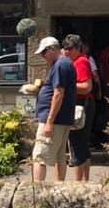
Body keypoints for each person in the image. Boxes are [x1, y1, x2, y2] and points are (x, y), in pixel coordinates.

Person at [32, 36, 77, 181]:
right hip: (61, 119)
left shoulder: (60, 65)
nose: (43, 57)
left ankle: (35, 193)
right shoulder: (64, 63)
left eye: (44, 53)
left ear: (52, 49)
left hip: (54, 120)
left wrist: (49, 121)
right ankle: (60, 189)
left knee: (39, 156)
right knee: (59, 156)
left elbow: (58, 93)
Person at [62, 34, 95, 181]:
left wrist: (67, 86)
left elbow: (87, 87)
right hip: (83, 105)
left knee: (76, 145)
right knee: (82, 145)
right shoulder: (78, 61)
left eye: (69, 49)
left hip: (81, 105)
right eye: (65, 48)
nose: (66, 52)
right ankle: (85, 182)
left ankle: (78, 185)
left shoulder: (80, 62)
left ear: (76, 48)